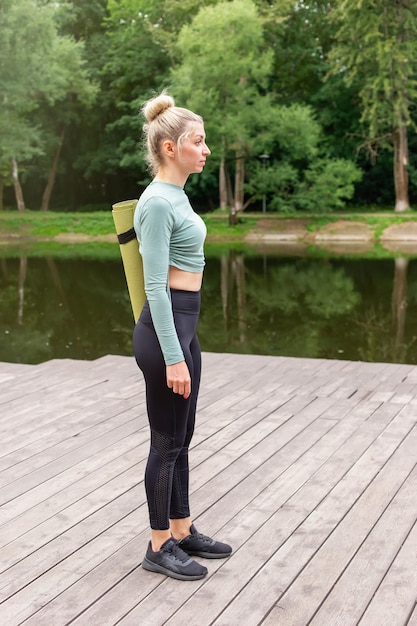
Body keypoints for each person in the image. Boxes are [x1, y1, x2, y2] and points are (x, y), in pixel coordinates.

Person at [133, 91, 232, 581]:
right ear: (171, 147)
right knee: (166, 441)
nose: (206, 149)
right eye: (199, 141)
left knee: (183, 436)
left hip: (184, 325)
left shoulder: (178, 195)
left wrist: (186, 345)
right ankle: (157, 546)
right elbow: (155, 284)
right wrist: (174, 356)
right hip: (165, 328)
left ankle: (183, 528)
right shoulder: (155, 203)